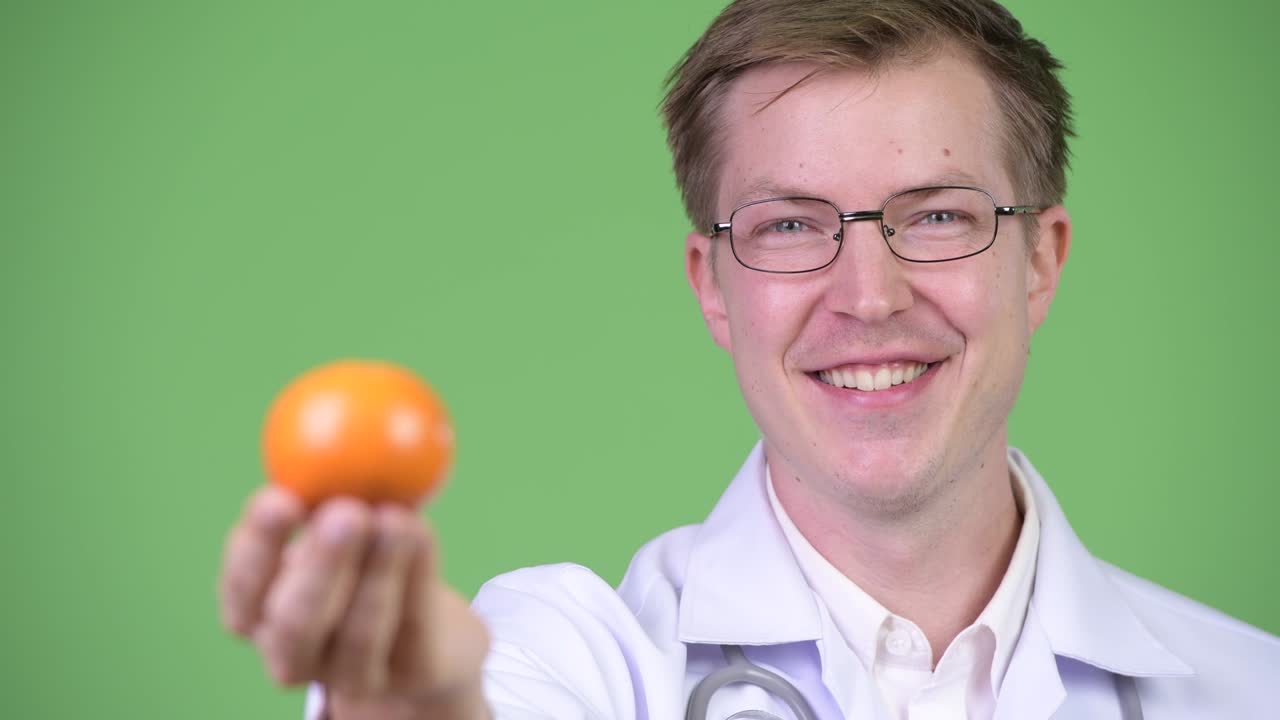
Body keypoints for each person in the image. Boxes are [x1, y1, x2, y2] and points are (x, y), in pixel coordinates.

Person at [218, 0, 1280, 717]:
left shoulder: (1250, 686)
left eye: (940, 215)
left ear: (1039, 261)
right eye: (786, 226)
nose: (868, 296)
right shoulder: (582, 659)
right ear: (709, 285)